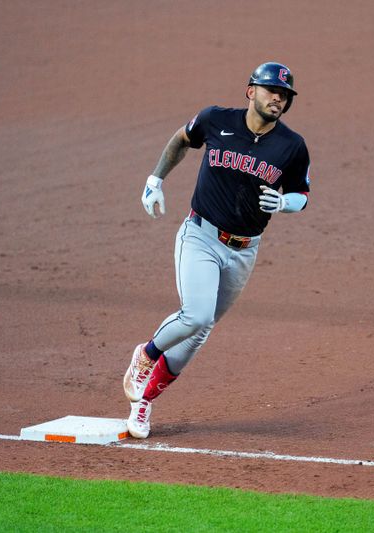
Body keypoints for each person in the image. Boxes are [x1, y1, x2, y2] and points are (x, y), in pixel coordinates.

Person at [123, 62, 312, 438]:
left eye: (285, 95)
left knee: (200, 330)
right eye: (272, 90)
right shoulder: (215, 119)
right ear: (250, 91)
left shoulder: (292, 146)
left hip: (244, 251)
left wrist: (285, 202)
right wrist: (155, 180)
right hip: (201, 236)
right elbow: (181, 139)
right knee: (195, 315)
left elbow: (302, 195)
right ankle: (146, 355)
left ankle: (143, 400)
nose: (279, 98)